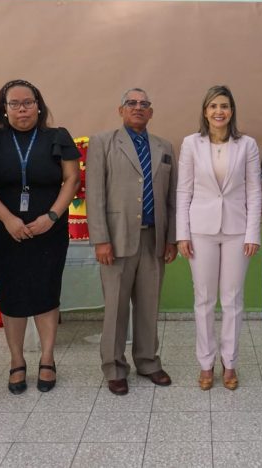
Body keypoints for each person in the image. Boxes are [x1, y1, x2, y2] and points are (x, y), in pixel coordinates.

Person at [0, 80, 80, 394]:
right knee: (12, 295)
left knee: (46, 292)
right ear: (3, 109)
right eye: (14, 103)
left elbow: (72, 178)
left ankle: (47, 358)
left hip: (48, 231)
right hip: (4, 231)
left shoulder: (57, 136)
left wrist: (51, 216)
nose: (22, 108)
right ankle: (17, 361)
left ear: (38, 105)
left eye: (28, 102)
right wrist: (8, 219)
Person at [86, 88, 178, 395]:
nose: (138, 107)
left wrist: (172, 239)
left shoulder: (164, 147)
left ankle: (148, 362)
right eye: (132, 103)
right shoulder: (103, 143)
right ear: (121, 110)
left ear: (151, 112)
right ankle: (114, 367)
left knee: (149, 305)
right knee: (115, 307)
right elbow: (95, 193)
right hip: (116, 238)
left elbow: (171, 198)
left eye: (144, 104)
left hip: (154, 238)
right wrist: (101, 239)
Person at [176, 85, 262, 391]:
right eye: (213, 106)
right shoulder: (191, 144)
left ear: (232, 111)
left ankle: (230, 363)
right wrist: (181, 233)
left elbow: (254, 190)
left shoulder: (247, 145)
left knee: (233, 300)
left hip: (238, 230)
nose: (219, 111)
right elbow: (184, 189)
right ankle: (206, 364)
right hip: (200, 230)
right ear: (205, 111)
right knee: (204, 299)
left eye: (224, 105)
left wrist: (254, 232)